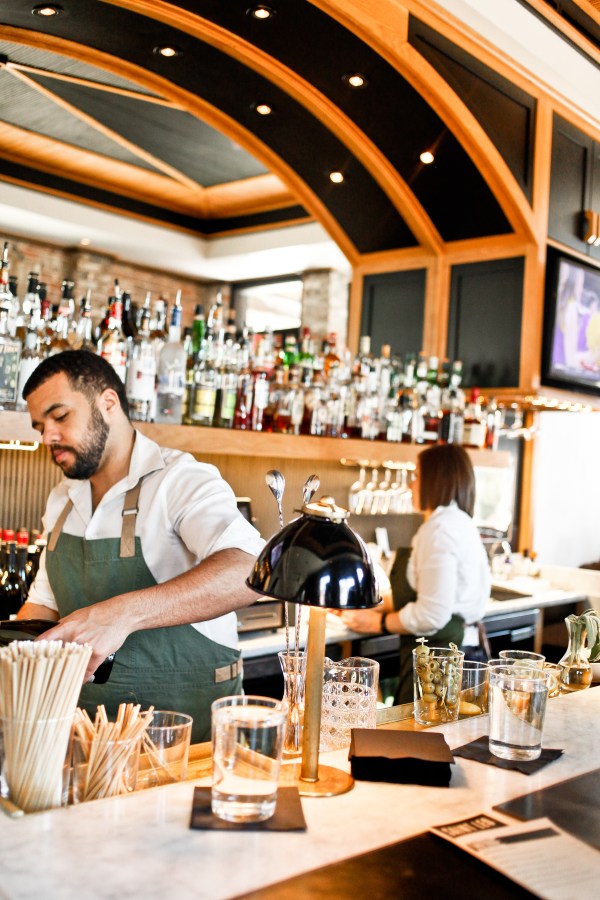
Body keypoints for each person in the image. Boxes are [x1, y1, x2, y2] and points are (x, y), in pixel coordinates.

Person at [18, 350, 264, 742]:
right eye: (39, 426)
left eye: (60, 417)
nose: (47, 436)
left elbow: (251, 570)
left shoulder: (180, 480)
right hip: (86, 742)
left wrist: (122, 614)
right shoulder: (61, 499)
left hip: (188, 743)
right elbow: (42, 608)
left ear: (108, 402)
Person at [339, 443, 491, 704]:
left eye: (417, 476)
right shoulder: (459, 522)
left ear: (436, 480)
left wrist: (377, 623)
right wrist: (372, 605)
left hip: (438, 666)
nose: (411, 485)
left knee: (421, 741)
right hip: (460, 654)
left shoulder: (439, 530)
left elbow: (432, 614)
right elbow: (425, 593)